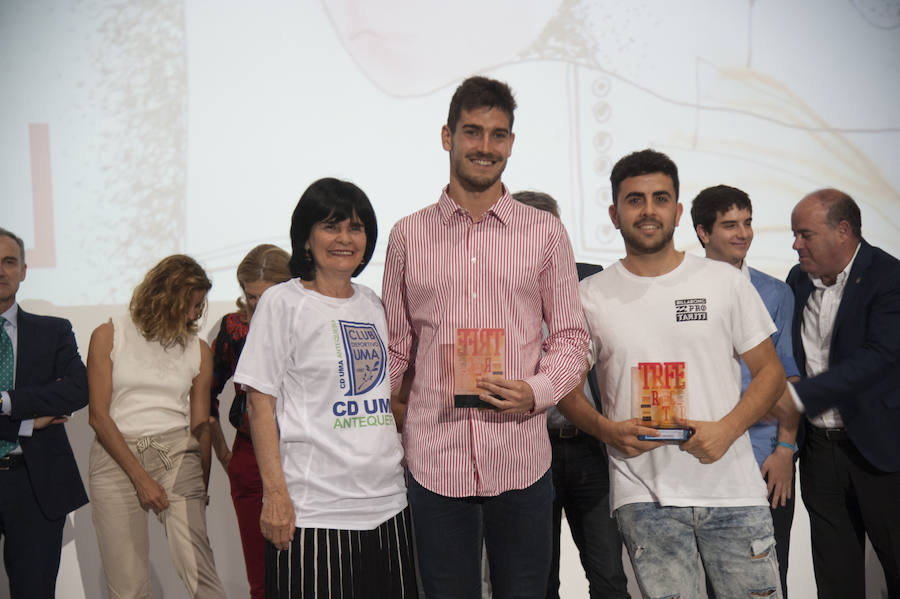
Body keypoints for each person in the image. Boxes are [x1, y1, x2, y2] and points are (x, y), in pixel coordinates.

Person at [382, 76, 590, 599]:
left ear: (511, 144)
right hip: (434, 461)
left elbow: (570, 338)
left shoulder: (544, 232)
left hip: (519, 457)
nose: (485, 147)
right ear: (447, 136)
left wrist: (538, 392)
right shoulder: (408, 234)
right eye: (472, 132)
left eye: (498, 135)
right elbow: (396, 344)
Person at [557, 149, 786, 598]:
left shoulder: (724, 281)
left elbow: (770, 374)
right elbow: (565, 388)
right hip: (646, 496)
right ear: (614, 212)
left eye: (660, 198)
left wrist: (727, 429)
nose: (648, 210)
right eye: (635, 199)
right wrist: (606, 430)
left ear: (678, 211)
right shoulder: (589, 296)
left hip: (733, 489)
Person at [233, 177, 417, 599]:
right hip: (315, 512)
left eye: (355, 227)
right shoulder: (283, 302)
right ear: (306, 239)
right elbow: (260, 407)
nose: (344, 238)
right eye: (331, 226)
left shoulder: (374, 302)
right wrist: (275, 496)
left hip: (389, 507)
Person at [781, 189, 900, 598]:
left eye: (805, 234)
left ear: (843, 231)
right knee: (835, 579)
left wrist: (799, 397)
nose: (796, 244)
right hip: (820, 454)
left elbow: (878, 358)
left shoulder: (889, 277)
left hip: (881, 454)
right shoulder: (797, 279)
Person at [86, 254, 226, 598]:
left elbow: (200, 426)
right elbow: (98, 417)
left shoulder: (199, 349)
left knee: (199, 571)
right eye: (191, 305)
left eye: (200, 306)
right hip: (115, 456)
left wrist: (201, 486)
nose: (195, 314)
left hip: (177, 453)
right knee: (127, 583)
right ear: (166, 296)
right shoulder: (108, 334)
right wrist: (141, 478)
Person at [512, 191, 629, 599]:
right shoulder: (496, 291)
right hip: (529, 447)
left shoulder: (592, 282)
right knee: (539, 579)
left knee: (610, 573)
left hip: (588, 445)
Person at [690, 184, 802, 597]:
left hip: (763, 462)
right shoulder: (682, 287)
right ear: (704, 232)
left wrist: (785, 450)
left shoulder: (775, 293)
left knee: (769, 580)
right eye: (730, 225)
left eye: (748, 222)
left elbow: (789, 378)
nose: (743, 233)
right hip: (700, 459)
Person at [0, 227, 89, 598]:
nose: (1, 271)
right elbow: (53, 396)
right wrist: (24, 422)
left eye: (9, 262)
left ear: (23, 270)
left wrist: (6, 401)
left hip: (34, 484)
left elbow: (77, 389)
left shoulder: (53, 331)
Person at [208, 243, 291, 599]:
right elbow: (205, 393)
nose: (259, 305)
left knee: (309, 571)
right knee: (262, 579)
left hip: (304, 456)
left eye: (267, 296)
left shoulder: (309, 322)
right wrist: (224, 453)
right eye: (251, 297)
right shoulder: (234, 329)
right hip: (250, 457)